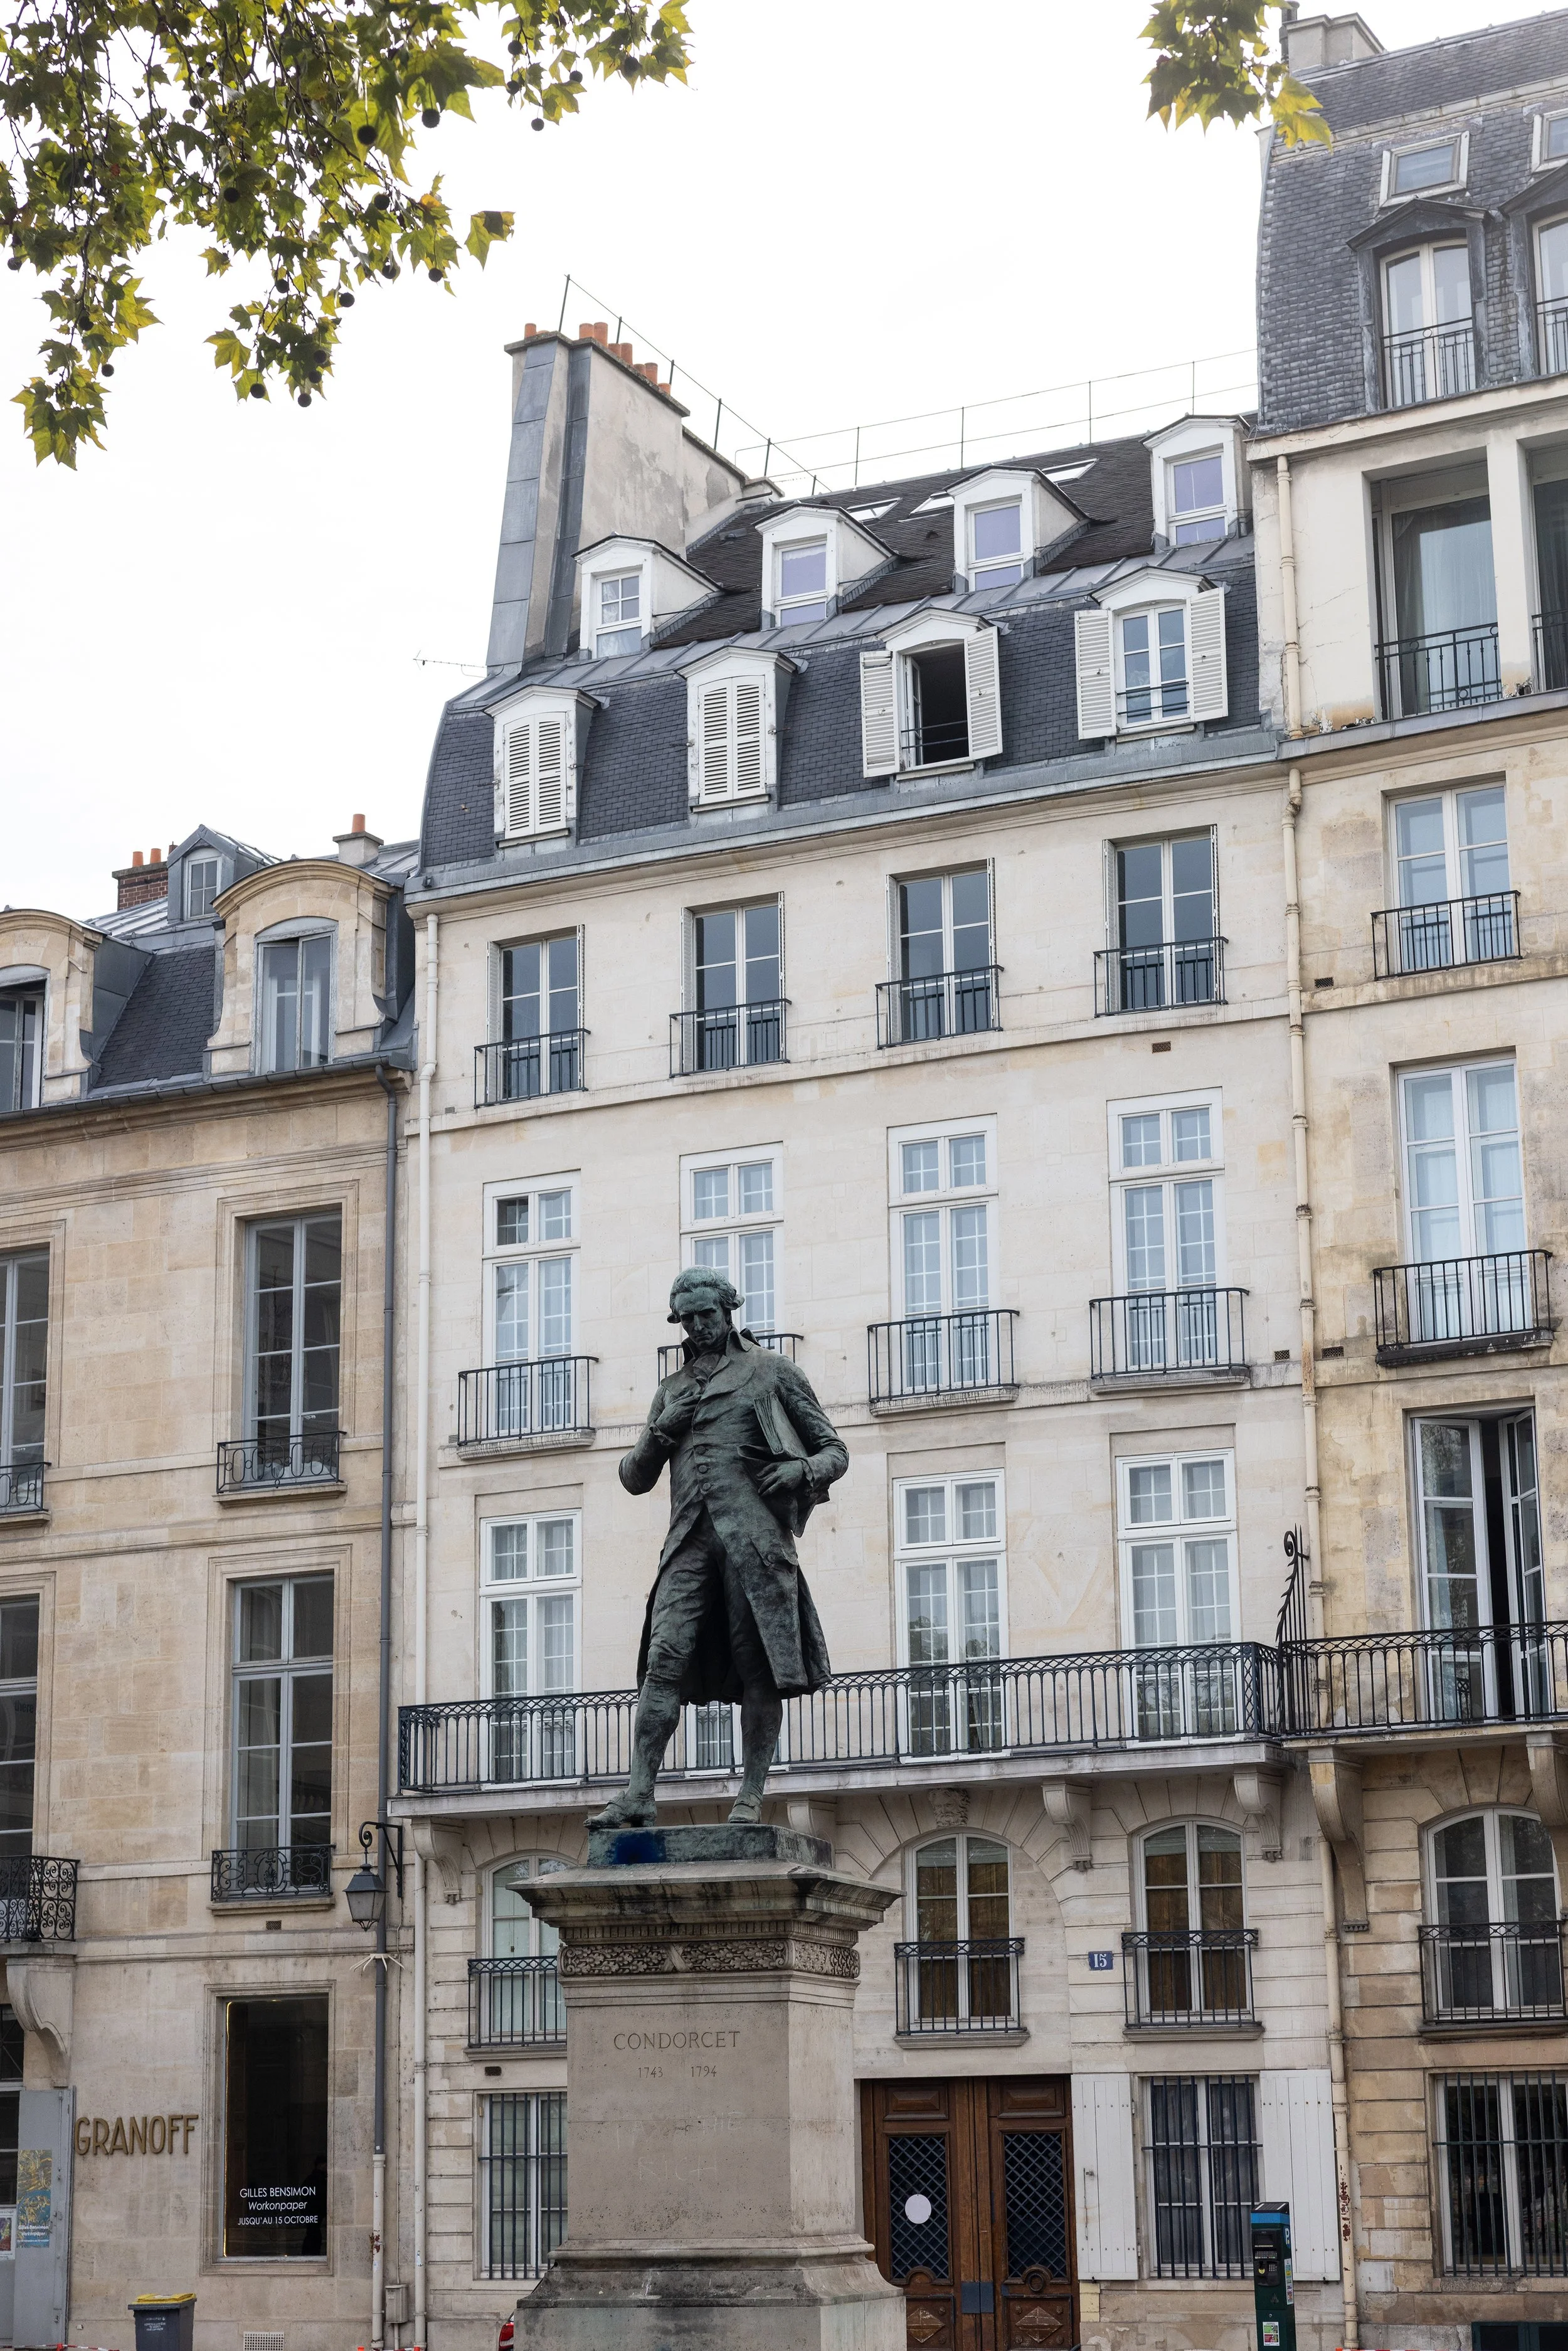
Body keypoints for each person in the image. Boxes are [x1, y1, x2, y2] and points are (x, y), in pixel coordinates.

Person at [590, 1268, 847, 1828]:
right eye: (688, 1318)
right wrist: (663, 1431)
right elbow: (634, 1478)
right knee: (663, 1661)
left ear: (729, 1311)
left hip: (753, 1542)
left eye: (708, 1314)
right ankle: (638, 1793)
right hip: (689, 1543)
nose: (700, 1326)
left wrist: (800, 1469)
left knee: (757, 1667)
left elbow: (835, 1452)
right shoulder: (671, 1391)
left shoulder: (771, 1372)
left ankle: (751, 1796)